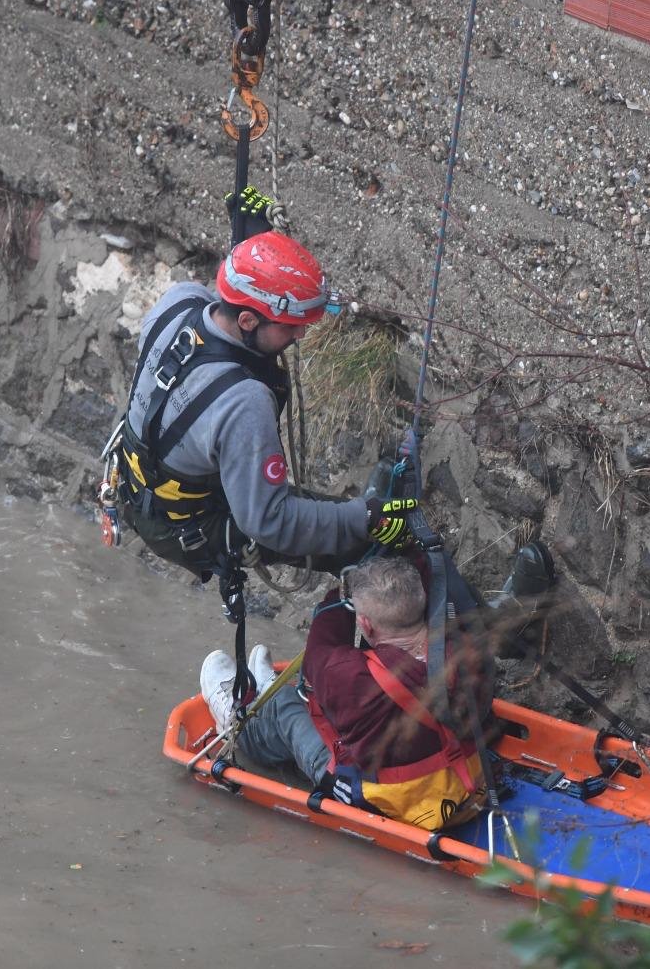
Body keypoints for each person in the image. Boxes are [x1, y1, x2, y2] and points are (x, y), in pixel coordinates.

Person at [104, 229, 421, 590]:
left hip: (137, 487)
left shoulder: (179, 301)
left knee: (339, 519)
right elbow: (269, 521)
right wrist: (363, 518)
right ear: (248, 322)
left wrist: (255, 251)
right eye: (291, 327)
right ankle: (474, 624)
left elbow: (231, 295)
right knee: (377, 546)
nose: (300, 335)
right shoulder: (244, 400)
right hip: (195, 525)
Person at [198, 548, 554, 831]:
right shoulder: (468, 647)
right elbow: (435, 565)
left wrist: (343, 590)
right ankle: (263, 691)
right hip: (464, 778)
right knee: (326, 704)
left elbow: (323, 637)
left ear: (364, 622)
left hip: (389, 798)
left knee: (287, 708)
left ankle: (236, 719)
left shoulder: (349, 675)